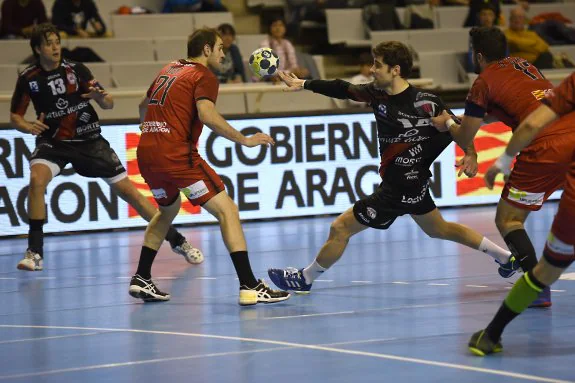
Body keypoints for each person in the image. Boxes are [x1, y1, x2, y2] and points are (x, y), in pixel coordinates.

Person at [267, 41, 516, 294]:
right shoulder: (377, 94)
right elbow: (343, 88)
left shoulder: (426, 102)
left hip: (399, 187)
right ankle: (507, 259)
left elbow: (458, 127)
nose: (372, 70)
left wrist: (471, 154)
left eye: (378, 65)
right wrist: (305, 84)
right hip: (413, 184)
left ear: (395, 69)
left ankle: (305, 279)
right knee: (439, 228)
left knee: (340, 228)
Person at [10, 23, 202, 272]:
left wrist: (100, 97)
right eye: (49, 43)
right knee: (36, 181)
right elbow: (15, 115)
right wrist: (28, 126)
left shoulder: (75, 69)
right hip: (53, 142)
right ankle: (35, 252)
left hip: (89, 140)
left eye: (57, 41)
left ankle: (179, 241)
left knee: (132, 194)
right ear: (37, 49)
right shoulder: (28, 78)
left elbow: (108, 103)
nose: (55, 47)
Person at [131, 28, 291, 305]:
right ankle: (250, 285)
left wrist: (155, 132)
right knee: (227, 209)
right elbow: (207, 115)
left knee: (167, 211)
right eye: (219, 47)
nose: (222, 52)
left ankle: (142, 277)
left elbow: (143, 107)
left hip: (146, 152)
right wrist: (244, 140)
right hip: (177, 155)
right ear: (206, 49)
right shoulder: (203, 75)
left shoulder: (169, 68)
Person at [429, 26, 572, 307]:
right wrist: (465, 120)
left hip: (543, 146)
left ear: (477, 55)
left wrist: (447, 122)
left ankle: (535, 288)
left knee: (508, 220)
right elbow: (513, 107)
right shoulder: (523, 64)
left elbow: (465, 135)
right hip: (571, 131)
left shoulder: (483, 82)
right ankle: (525, 264)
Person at [467, 72, 575, 356]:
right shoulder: (524, 70)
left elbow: (530, 124)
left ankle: (491, 334)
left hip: (553, 159)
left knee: (543, 268)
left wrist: (502, 161)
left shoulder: (572, 83)